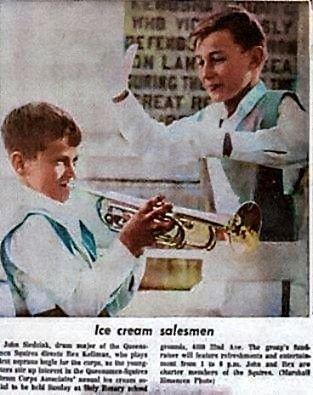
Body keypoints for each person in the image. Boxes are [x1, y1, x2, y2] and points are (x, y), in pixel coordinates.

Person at [109, 6, 308, 242]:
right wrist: (121, 97)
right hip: (222, 260)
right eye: (200, 62)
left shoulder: (280, 105)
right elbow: (155, 144)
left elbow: (300, 145)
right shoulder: (208, 118)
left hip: (276, 267)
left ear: (254, 58)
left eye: (217, 59)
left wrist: (221, 142)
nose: (206, 73)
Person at [0, 102, 173, 317]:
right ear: (20, 163)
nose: (71, 174)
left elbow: (108, 302)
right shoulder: (31, 227)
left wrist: (136, 247)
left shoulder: (56, 220)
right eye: (60, 162)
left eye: (74, 162)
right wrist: (128, 243)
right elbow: (82, 307)